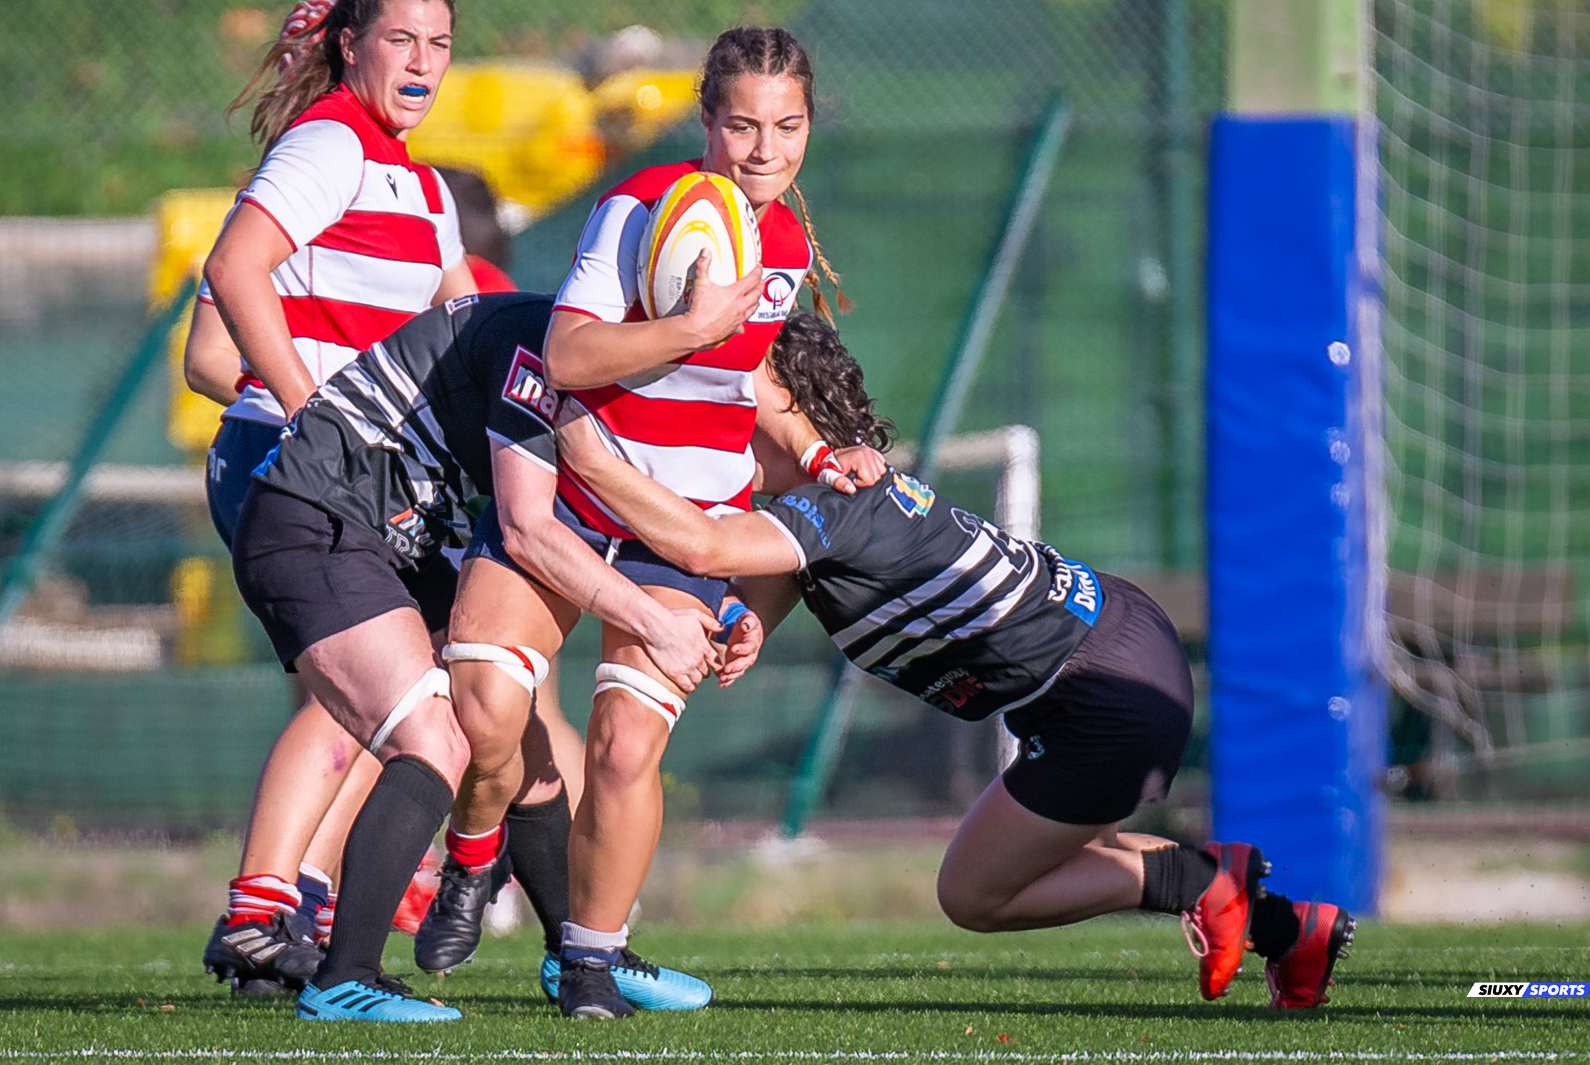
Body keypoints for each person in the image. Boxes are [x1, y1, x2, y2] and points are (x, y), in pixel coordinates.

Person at [553, 312, 1356, 1012]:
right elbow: (788, 575)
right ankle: (1292, 929)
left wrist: (585, 451)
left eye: (729, 407)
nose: (719, 430)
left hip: (1100, 696)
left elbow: (701, 543)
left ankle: (1201, 884)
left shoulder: (835, 501)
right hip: (1111, 650)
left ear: (785, 409)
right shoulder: (840, 495)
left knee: (972, 893)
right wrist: (751, 622)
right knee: (1040, 858)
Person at [427, 25, 886, 1020]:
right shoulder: (637, 209)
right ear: (705, 120)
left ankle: (589, 961)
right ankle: (472, 855)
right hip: (573, 500)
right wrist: (689, 328)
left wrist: (814, 453)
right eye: (742, 125)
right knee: (484, 710)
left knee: (625, 747)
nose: (764, 149)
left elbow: (750, 376)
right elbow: (569, 356)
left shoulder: (789, 243)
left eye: (787, 126)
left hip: (681, 522)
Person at [230, 290, 725, 1022]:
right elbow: (528, 529)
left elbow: (621, 507)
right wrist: (656, 623)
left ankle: (579, 958)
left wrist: (728, 598)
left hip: (395, 538)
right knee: (433, 737)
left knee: (513, 730)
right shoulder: (540, 343)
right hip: (322, 521)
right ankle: (345, 974)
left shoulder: (605, 367)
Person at [185, 0, 479, 996]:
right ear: (351, 45)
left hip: (358, 478)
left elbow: (467, 325)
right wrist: (322, 419)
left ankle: (276, 909)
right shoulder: (330, 147)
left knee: (383, 694)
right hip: (289, 467)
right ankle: (296, 907)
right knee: (387, 699)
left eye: (440, 44)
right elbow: (231, 275)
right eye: (401, 39)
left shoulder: (422, 186)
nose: (423, 62)